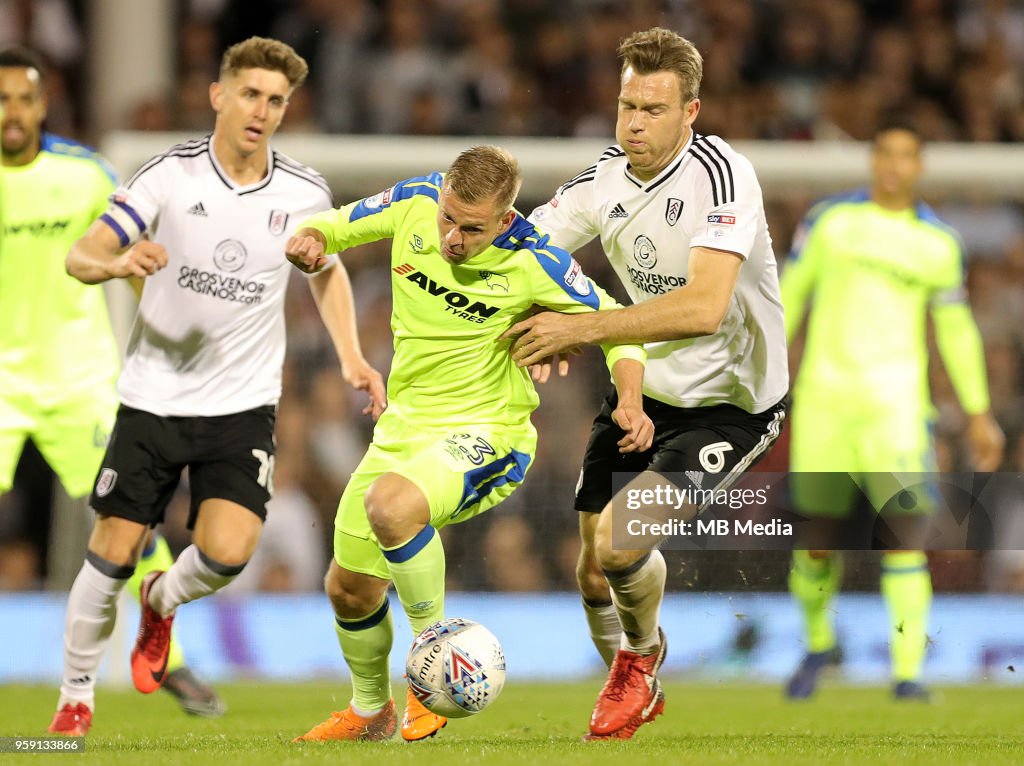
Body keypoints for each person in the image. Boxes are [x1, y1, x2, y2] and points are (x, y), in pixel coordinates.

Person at [46, 36, 386, 738]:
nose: (261, 110)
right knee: (110, 547)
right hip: (153, 397)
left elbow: (328, 271)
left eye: (276, 100)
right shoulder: (167, 177)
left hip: (242, 404)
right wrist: (116, 266)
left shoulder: (303, 192)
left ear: (286, 109)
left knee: (229, 553)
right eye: (251, 94)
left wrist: (352, 355)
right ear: (218, 96)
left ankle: (162, 602)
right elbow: (83, 253)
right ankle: (74, 700)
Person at [285, 144, 651, 743]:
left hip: (488, 435)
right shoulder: (414, 203)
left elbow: (619, 329)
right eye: (448, 219)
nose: (452, 236)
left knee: (391, 505)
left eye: (471, 227)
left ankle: (429, 670)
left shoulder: (537, 259)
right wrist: (309, 240)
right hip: (402, 431)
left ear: (506, 219)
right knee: (348, 589)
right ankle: (370, 711)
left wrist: (630, 400)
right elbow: (333, 226)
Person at [507, 27, 789, 740]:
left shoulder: (724, 177)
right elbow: (523, 255)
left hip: (732, 404)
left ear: (690, 112)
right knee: (593, 574)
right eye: (628, 105)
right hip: (647, 389)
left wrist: (575, 329)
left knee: (620, 544)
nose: (634, 122)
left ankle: (639, 660)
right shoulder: (602, 180)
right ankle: (641, 675)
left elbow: (703, 307)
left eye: (654, 109)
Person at [0, 45, 223, 719]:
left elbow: (138, 244)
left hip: (78, 375)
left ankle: (170, 658)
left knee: (129, 517)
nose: (12, 112)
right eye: (1, 98)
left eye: (23, 98)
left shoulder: (85, 174)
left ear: (43, 105)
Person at [779, 119, 1005, 701]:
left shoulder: (937, 243)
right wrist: (761, 375)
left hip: (896, 409)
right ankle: (817, 644)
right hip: (825, 401)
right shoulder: (831, 222)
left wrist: (978, 411)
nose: (893, 165)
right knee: (817, 536)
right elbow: (790, 296)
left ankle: (908, 673)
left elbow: (955, 330)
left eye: (905, 156)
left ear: (919, 166)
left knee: (903, 535)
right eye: (884, 153)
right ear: (873, 161)